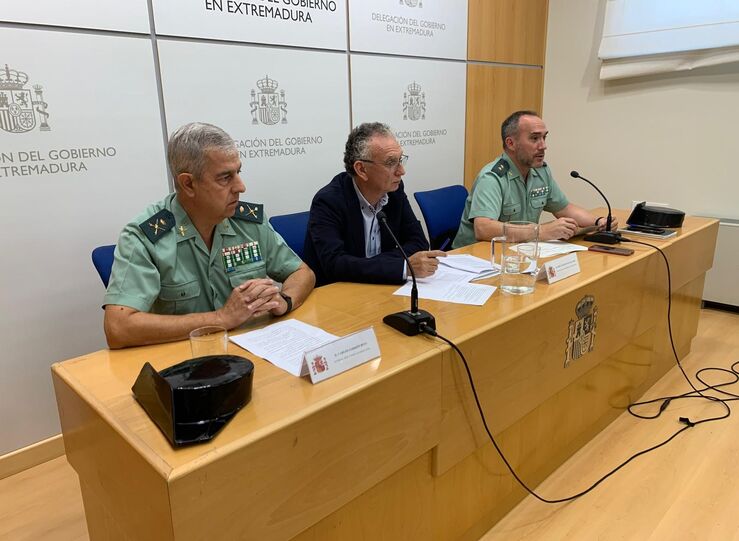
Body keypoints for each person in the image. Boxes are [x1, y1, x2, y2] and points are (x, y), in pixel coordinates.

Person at [103, 122, 315, 349]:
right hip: (186, 363)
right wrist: (221, 319)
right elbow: (118, 327)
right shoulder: (145, 237)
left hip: (254, 350)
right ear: (188, 184)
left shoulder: (248, 222)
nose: (241, 187)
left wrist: (284, 300)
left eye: (238, 172)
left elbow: (302, 272)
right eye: (225, 178)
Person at [303, 122, 445, 287]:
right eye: (391, 162)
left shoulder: (394, 190)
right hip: (339, 294)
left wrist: (370, 266)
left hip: (381, 288)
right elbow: (335, 265)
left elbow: (418, 242)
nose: (401, 171)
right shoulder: (329, 201)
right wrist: (402, 266)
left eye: (400, 160)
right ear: (361, 169)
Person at [453, 110, 618, 248]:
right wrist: (540, 231)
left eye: (544, 137)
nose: (543, 145)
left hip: (517, 252)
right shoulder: (492, 177)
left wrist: (599, 221)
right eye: (534, 138)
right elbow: (483, 228)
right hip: (476, 260)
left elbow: (564, 208)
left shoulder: (540, 172)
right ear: (511, 143)